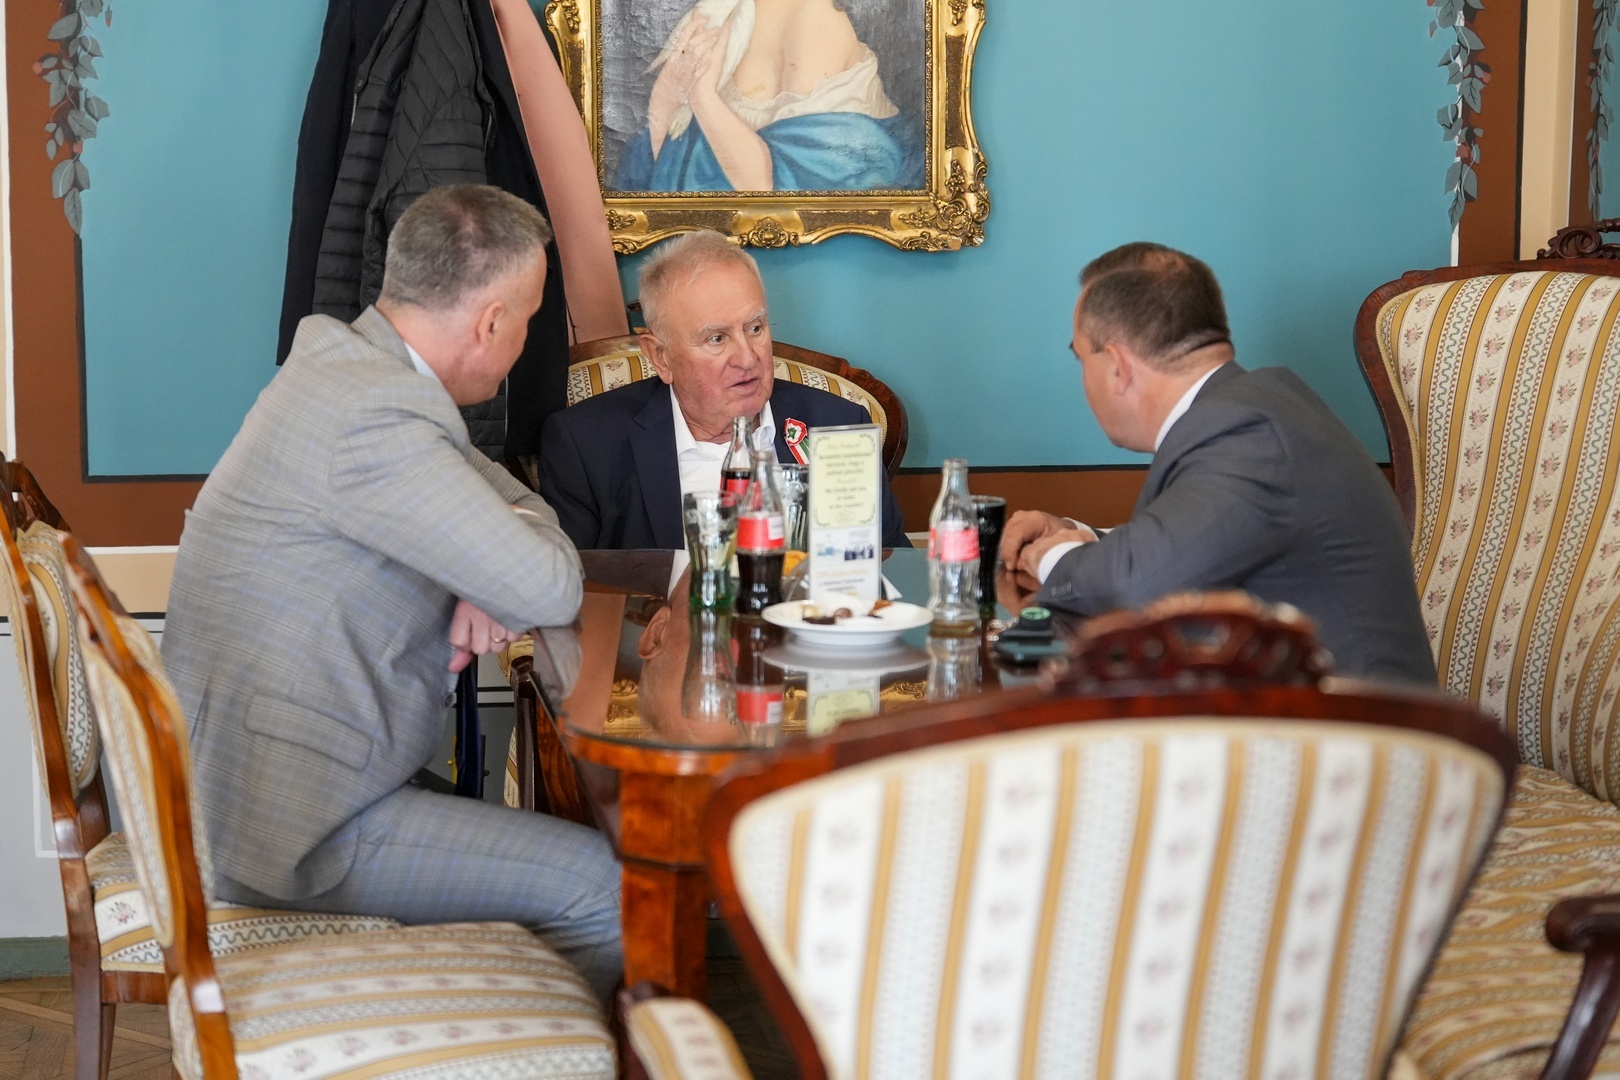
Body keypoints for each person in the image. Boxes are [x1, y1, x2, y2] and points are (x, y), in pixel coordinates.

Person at [162, 185, 623, 999]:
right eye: (529, 319)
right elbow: (552, 584)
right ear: (490, 322)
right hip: (289, 824)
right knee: (606, 889)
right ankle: (516, 1049)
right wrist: (499, 567)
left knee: (551, 848)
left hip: (264, 776)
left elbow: (521, 507)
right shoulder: (380, 416)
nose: (528, 340)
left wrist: (492, 566)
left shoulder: (344, 364)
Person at [1000, 242, 1436, 684]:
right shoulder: (1249, 408)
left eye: (1081, 357)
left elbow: (1137, 584)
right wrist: (1080, 536)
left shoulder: (1245, 432)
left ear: (1117, 365)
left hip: (1349, 722)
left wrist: (1052, 557)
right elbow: (1197, 541)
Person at [539, 229, 909, 549]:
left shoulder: (837, 424)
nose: (747, 359)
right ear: (661, 357)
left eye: (755, 328)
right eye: (716, 338)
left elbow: (887, 561)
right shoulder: (587, 444)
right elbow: (575, 586)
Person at [613, 0, 923, 192]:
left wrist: (703, 97)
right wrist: (678, 97)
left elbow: (775, 190)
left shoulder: (815, 20)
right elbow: (658, 156)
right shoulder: (723, 13)